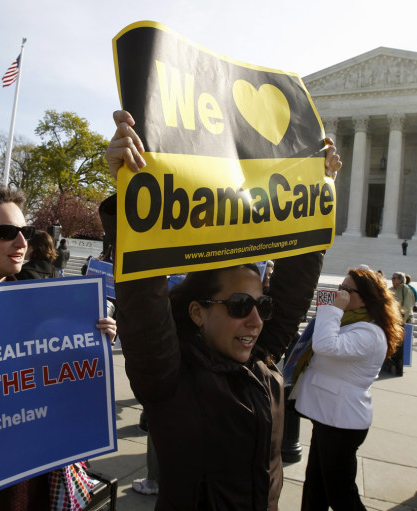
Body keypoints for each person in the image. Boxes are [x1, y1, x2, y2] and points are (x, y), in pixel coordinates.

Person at [104, 109, 342, 509]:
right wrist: (131, 189)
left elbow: (295, 288)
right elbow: (143, 298)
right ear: (197, 312)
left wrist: (319, 191)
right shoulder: (168, 380)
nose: (255, 319)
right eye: (238, 305)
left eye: (262, 305)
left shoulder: (261, 364)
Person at [0, 186, 116, 509]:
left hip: (26, 480)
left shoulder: (43, 305)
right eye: (7, 233)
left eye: (26, 232)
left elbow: (66, 385)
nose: (22, 244)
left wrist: (96, 344)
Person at [292, 268, 402, 510]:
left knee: (341, 495)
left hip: (341, 421)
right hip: (328, 416)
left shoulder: (370, 332)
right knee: (316, 486)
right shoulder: (350, 322)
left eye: (346, 290)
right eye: (339, 289)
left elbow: (325, 346)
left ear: (365, 297)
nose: (339, 294)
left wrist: (331, 309)